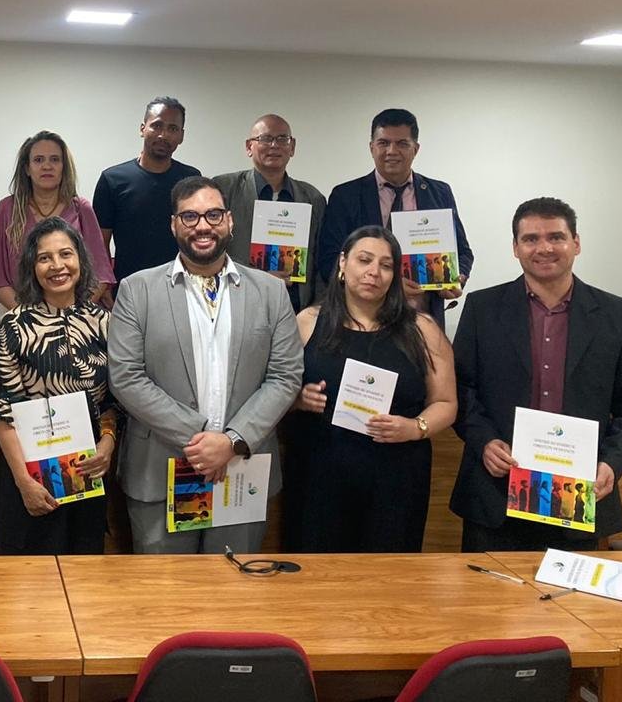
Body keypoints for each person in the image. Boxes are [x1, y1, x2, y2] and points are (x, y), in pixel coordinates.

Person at [107, 176, 303, 553]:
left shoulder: (270, 291)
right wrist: (201, 438)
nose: (202, 226)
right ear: (174, 225)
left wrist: (231, 441)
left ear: (229, 221)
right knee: (167, 587)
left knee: (233, 583)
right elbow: (126, 377)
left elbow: (285, 376)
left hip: (241, 469)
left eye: (213, 215)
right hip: (162, 470)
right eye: (190, 216)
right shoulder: (136, 290)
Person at [449, 197, 622, 551]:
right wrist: (484, 441)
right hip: (496, 493)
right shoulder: (482, 308)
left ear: (576, 243)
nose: (544, 248)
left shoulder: (616, 315)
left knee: (570, 589)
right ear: (515, 248)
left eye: (556, 237)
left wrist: (612, 462)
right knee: (486, 588)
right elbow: (461, 388)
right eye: (530, 239)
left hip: (577, 493)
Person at [289, 226, 456, 552]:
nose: (374, 272)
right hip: (320, 473)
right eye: (364, 260)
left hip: (397, 477)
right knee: (316, 572)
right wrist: (298, 399)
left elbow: (446, 402)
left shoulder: (421, 328)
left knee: (389, 574)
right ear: (342, 263)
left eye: (386, 265)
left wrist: (415, 427)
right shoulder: (307, 322)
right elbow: (277, 388)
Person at [0, 217, 116, 554]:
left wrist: (107, 444)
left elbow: (112, 402)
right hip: (30, 473)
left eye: (66, 254)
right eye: (45, 258)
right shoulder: (14, 326)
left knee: (85, 571)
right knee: (32, 576)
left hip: (88, 472)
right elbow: (3, 412)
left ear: (80, 260)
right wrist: (24, 482)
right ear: (33, 267)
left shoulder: (104, 322)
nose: (57, 265)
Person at [316, 108, 473, 327]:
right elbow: (329, 260)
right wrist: (388, 283)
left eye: (402, 143)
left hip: (421, 320)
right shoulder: (345, 196)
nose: (392, 151)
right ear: (371, 147)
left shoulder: (439, 192)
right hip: (362, 320)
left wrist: (457, 277)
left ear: (415, 149)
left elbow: (463, 252)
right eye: (383, 143)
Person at [0, 131, 115, 311]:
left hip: (78, 315)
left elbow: (101, 275)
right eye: (38, 160)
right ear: (27, 168)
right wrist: (29, 317)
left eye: (55, 159)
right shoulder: (7, 208)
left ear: (64, 167)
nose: (47, 166)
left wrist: (72, 315)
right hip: (21, 313)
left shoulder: (81, 209)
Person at [214, 113, 327, 312]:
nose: (274, 145)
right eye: (265, 139)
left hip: (295, 310)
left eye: (282, 139)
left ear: (292, 147)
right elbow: (210, 250)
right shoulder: (223, 189)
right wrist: (256, 277)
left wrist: (315, 309)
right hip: (237, 306)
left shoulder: (312, 198)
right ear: (249, 147)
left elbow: (320, 262)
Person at [93, 97, 201, 285]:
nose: (163, 135)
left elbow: (197, 234)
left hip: (181, 284)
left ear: (181, 136)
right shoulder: (112, 179)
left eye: (172, 129)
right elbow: (99, 243)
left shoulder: (191, 179)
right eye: (156, 126)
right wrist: (105, 285)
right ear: (142, 128)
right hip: (127, 287)